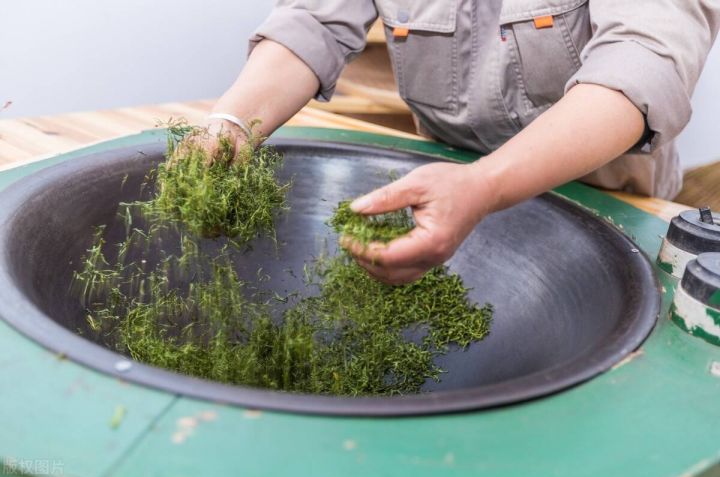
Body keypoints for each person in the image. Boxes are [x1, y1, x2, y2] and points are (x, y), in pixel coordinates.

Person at [203, 0, 719, 285]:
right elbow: (312, 20)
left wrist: (484, 184)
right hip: (438, 202)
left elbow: (641, 65)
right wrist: (232, 121)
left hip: (609, 207)